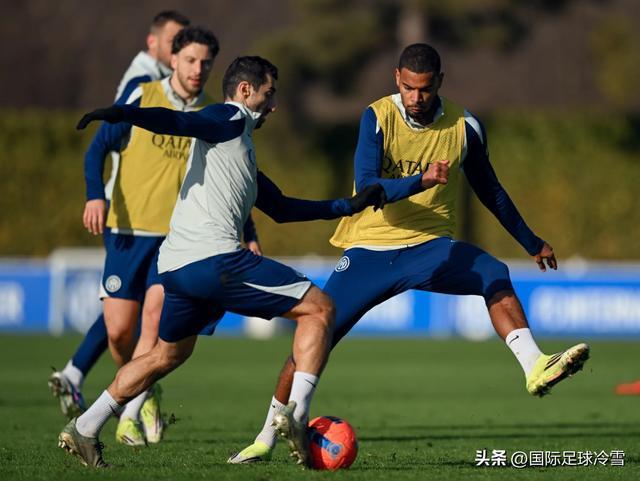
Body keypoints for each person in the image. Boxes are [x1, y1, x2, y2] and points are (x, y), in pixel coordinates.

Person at [228, 43, 591, 464]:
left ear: (440, 82)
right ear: (397, 79)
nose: (416, 97)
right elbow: (368, 185)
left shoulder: (465, 126)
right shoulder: (377, 116)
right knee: (316, 332)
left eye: (425, 89)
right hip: (370, 248)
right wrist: (421, 181)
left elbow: (490, 190)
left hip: (430, 247)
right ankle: (266, 437)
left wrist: (531, 241)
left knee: (493, 273)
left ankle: (534, 366)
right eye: (408, 88)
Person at [58, 55, 387, 468]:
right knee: (321, 308)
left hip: (177, 268)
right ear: (246, 91)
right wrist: (121, 114)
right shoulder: (229, 117)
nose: (274, 105)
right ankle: (297, 416)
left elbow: (282, 208)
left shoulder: (238, 146)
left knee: (166, 355)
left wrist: (349, 205)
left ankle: (85, 427)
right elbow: (176, 121)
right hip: (214, 260)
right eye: (269, 94)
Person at [68, 26, 224, 449]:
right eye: (190, 60)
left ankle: (127, 413)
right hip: (127, 230)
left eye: (206, 62)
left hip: (177, 238)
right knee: (119, 332)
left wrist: (247, 232)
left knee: (154, 317)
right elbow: (97, 148)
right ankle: (144, 385)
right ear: (173, 60)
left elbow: (228, 178)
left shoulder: (213, 114)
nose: (198, 69)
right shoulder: (142, 94)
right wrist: (95, 195)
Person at [48, 10, 192, 419]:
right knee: (120, 323)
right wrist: (96, 195)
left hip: (164, 224)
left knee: (146, 314)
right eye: (175, 43)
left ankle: (101, 384)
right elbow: (103, 142)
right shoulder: (142, 82)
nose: (182, 52)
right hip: (128, 217)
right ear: (154, 44)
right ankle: (132, 384)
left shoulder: (182, 89)